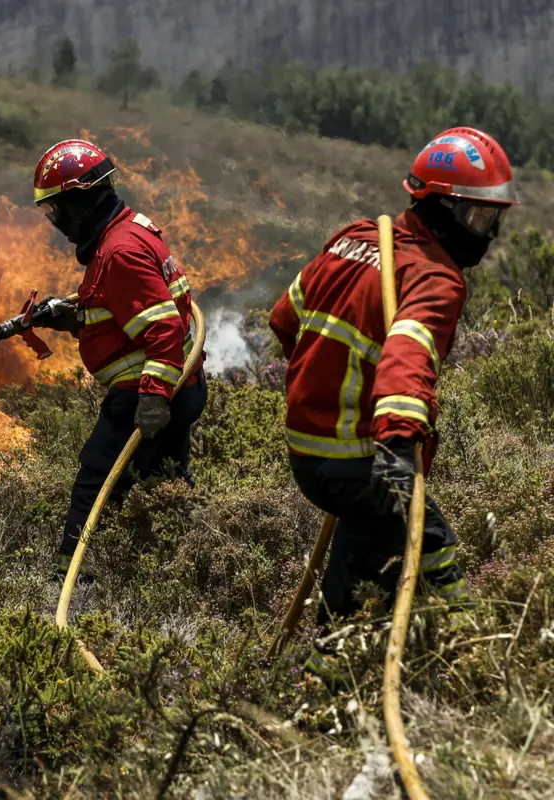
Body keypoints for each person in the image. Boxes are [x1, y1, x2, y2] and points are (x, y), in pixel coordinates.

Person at [268, 127, 518, 679]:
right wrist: (399, 441)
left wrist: (322, 385)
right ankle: (472, 663)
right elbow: (408, 356)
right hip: (362, 459)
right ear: (442, 209)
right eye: (479, 218)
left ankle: (362, 661)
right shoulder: (435, 278)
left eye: (493, 220)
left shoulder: (351, 240)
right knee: (425, 549)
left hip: (307, 453)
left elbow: (284, 318)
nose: (488, 235)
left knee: (371, 542)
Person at [30, 139, 208, 581]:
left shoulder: (120, 251)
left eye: (57, 209)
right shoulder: (127, 233)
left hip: (145, 392)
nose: (56, 222)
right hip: (178, 386)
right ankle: (198, 561)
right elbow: (123, 317)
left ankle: (73, 580)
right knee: (167, 482)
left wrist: (152, 398)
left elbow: (163, 328)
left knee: (96, 482)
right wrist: (73, 319)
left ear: (81, 200)